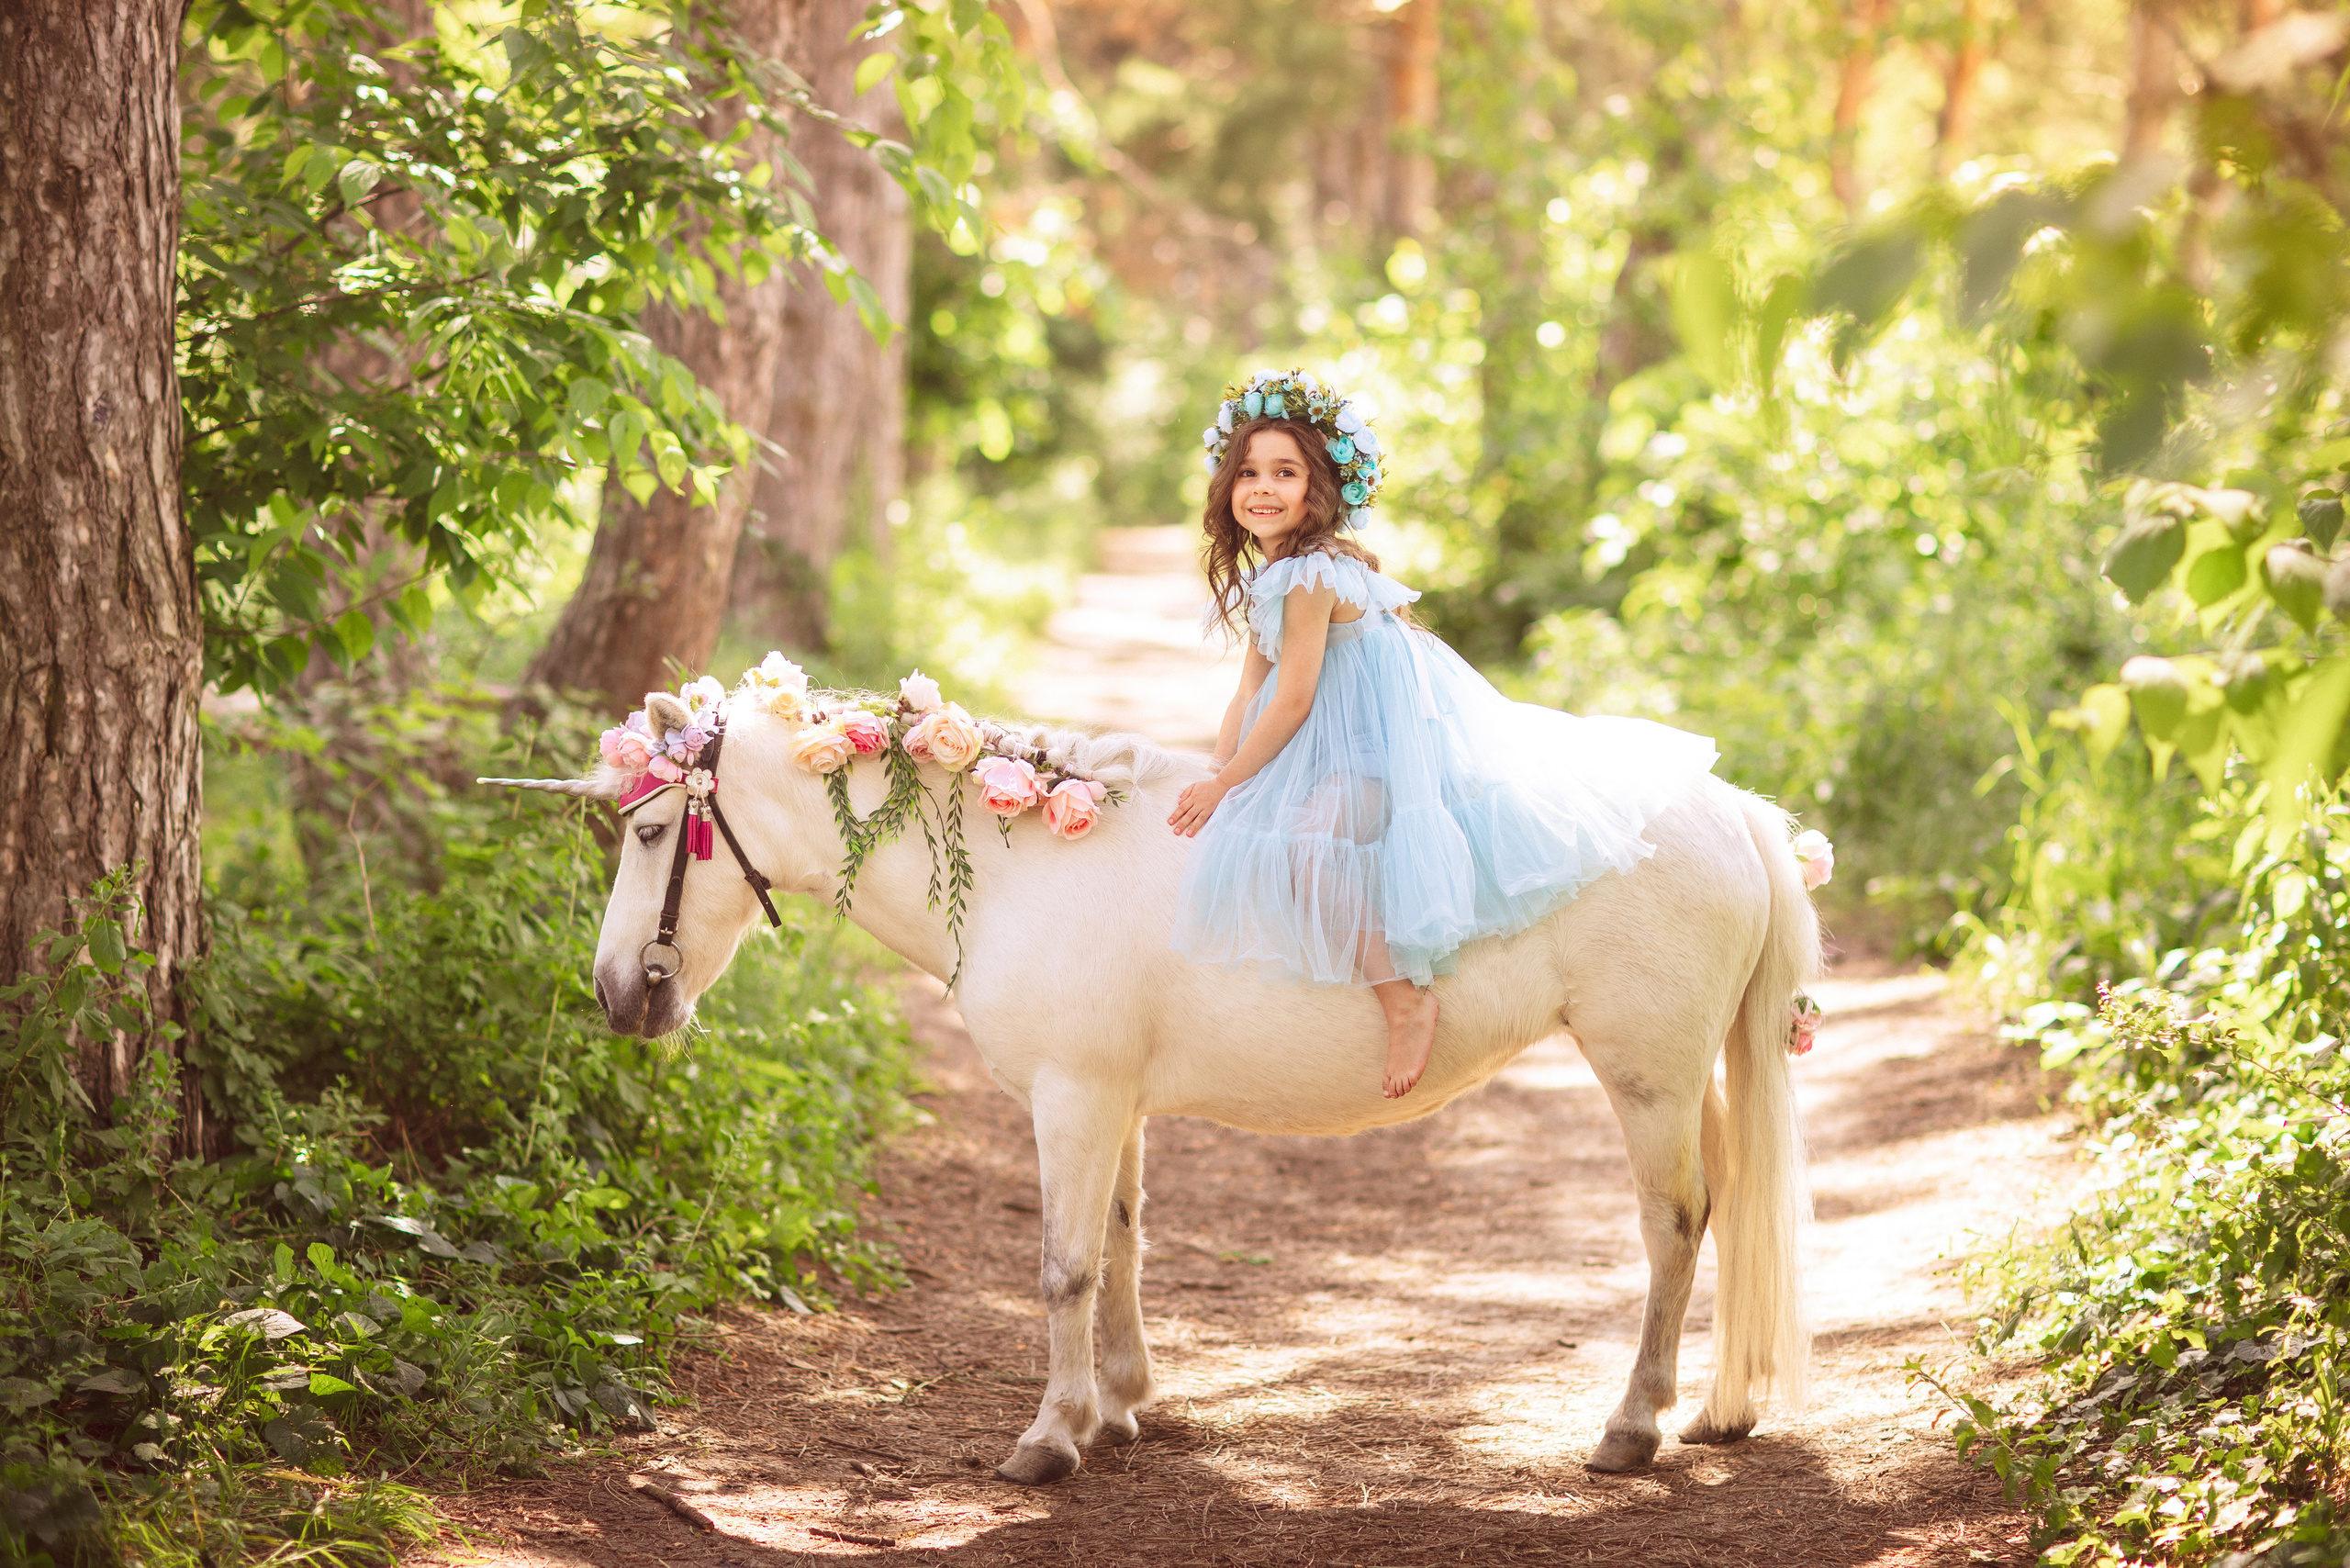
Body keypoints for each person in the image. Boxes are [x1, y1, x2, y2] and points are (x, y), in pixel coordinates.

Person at [1166, 371, 1719, 1098]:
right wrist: (1219, 768)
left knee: (1306, 846)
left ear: (1321, 490)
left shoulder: (1311, 575)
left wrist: (1227, 782)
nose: (1261, 487)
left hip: (1378, 758)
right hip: (1338, 749)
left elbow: (1294, 701)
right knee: (1247, 826)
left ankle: (1404, 1000)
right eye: (1247, 472)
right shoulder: (1280, 571)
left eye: (1285, 472)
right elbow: (1251, 690)